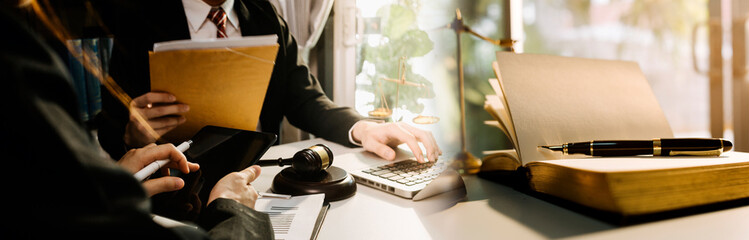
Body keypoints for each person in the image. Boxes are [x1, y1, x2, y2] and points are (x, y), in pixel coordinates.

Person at [1, 2, 273, 238]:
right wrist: (235, 213)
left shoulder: (265, 14)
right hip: (191, 198)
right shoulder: (135, 18)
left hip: (243, 178)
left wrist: (115, 187)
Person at [96, 0, 442, 163]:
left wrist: (364, 128)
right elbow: (110, 128)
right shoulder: (136, 19)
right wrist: (132, 135)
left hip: (259, 175)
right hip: (175, 186)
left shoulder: (265, 14)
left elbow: (305, 98)